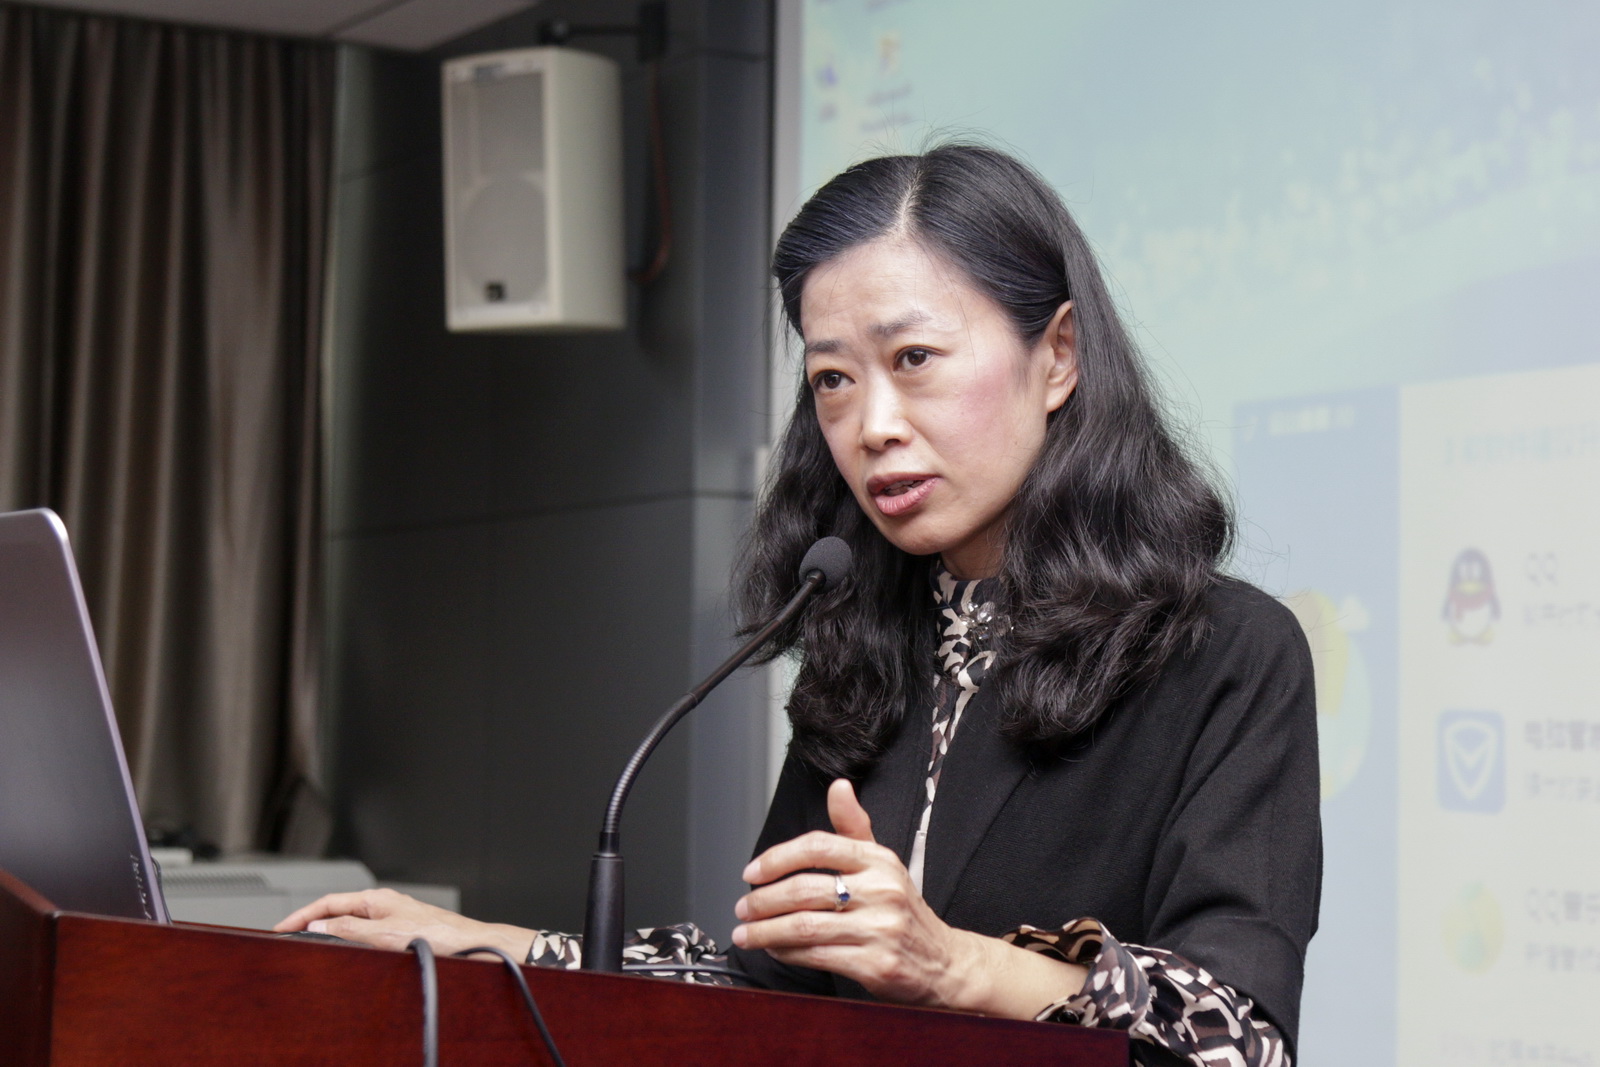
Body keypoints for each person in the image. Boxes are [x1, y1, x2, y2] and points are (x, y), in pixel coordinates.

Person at [278, 144, 1321, 1067]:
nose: (872, 424)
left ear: (1057, 356)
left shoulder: (1225, 652)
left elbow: (1239, 1037)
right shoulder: (867, 639)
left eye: (913, 360)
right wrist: (506, 949)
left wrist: (954, 965)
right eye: (832, 379)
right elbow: (770, 983)